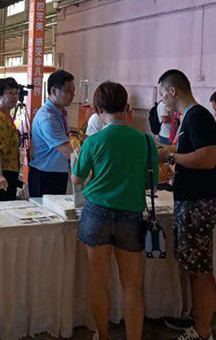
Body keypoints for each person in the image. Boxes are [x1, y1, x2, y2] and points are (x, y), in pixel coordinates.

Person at [73, 82, 158, 340]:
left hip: (96, 214)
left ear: (98, 109)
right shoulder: (145, 141)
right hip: (130, 215)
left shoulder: (93, 141)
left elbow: (77, 179)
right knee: (132, 284)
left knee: (99, 280)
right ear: (127, 108)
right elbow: (150, 182)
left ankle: (103, 335)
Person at [156, 70, 216, 340]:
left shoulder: (198, 116)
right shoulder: (188, 118)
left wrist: (172, 157)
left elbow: (207, 159)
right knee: (197, 267)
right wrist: (171, 153)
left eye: (163, 95)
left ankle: (203, 331)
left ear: (173, 91)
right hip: (189, 201)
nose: (163, 101)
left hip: (198, 204)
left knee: (200, 271)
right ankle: (198, 317)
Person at [29, 70, 76, 197]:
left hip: (57, 173)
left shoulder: (61, 113)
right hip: (44, 175)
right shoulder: (47, 118)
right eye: (68, 91)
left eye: (73, 91)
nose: (72, 95)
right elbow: (67, 151)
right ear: (54, 91)